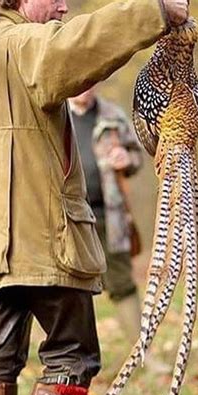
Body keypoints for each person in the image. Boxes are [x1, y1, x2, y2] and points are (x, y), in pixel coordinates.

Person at [0, 0, 189, 395]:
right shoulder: (25, 43)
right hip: (42, 238)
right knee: (71, 357)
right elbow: (82, 45)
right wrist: (156, 10)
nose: (63, 5)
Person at [69, 87, 145, 343]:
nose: (85, 87)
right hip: (67, 219)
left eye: (91, 80)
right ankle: (72, 358)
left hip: (109, 215)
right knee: (68, 288)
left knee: (122, 283)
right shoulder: (53, 113)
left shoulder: (112, 115)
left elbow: (137, 155)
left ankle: (143, 354)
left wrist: (128, 158)